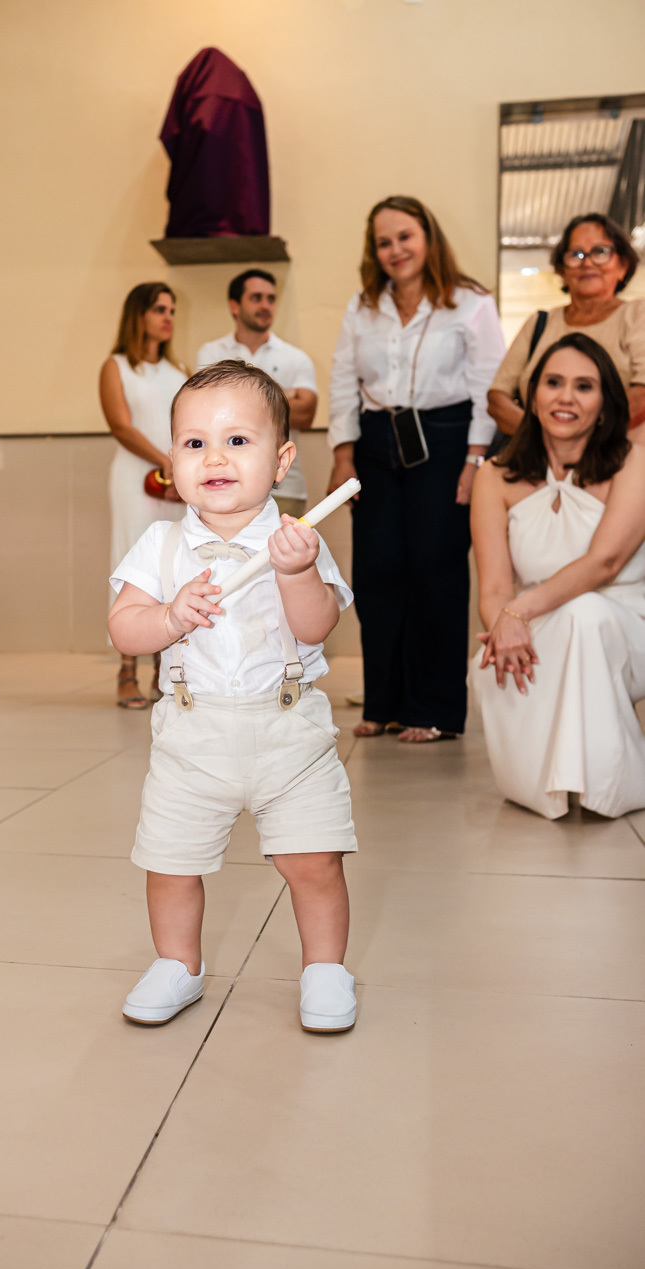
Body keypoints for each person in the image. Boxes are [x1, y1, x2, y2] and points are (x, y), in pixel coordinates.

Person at [109, 360, 358, 1032]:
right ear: (171, 460)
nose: (214, 457)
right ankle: (177, 964)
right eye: (194, 444)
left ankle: (325, 969)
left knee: (311, 860)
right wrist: (166, 618)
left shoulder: (294, 542)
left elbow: (315, 627)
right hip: (191, 736)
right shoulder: (160, 545)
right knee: (170, 862)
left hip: (288, 732)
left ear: (280, 461)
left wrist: (298, 572)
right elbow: (124, 629)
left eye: (237, 441)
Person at [328, 195, 507, 743]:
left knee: (435, 568)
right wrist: (342, 454)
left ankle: (434, 709)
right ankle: (383, 702)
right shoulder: (363, 307)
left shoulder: (470, 302)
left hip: (449, 442)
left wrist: (477, 460)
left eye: (405, 237)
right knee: (379, 571)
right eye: (384, 242)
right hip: (377, 442)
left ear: (427, 237)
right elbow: (341, 381)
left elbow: (487, 386)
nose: (395, 250)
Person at [470, 333, 645, 820]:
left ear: (606, 405)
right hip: (532, 622)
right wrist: (504, 624)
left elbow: (604, 563)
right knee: (487, 663)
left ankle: (611, 786)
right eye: (554, 382)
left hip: (628, 625)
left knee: (583, 614)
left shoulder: (635, 462)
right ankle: (537, 785)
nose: (566, 397)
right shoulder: (494, 476)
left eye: (584, 386)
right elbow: (494, 589)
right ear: (531, 396)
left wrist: (515, 613)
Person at [99, 282, 187, 709]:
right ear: (138, 315)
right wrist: (161, 460)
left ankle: (163, 672)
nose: (168, 316)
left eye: (171, 309)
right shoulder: (116, 366)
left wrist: (180, 469)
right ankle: (126, 671)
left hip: (174, 481)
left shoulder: (180, 372)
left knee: (172, 566)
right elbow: (121, 425)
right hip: (135, 476)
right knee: (134, 566)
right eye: (158, 309)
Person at [488, 213, 645, 440]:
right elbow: (497, 399)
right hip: (539, 465)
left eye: (600, 252)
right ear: (562, 270)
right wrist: (548, 440)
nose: (587, 262)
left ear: (622, 265)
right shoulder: (538, 324)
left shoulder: (637, 315)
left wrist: (580, 441)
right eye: (576, 254)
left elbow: (642, 393)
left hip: (619, 459)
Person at [196, 269, 318, 518]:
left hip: (286, 486)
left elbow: (306, 415)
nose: (266, 305)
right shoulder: (209, 354)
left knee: (285, 557)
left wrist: (234, 399)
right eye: (256, 298)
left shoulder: (295, 358)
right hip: (225, 484)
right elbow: (204, 412)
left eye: (271, 299)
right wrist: (283, 396)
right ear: (234, 305)